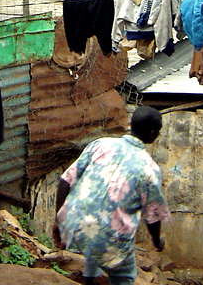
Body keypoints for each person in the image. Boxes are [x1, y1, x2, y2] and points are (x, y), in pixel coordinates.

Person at [52, 106, 169, 285]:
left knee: (96, 238)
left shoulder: (101, 145)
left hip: (72, 227)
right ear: (153, 134)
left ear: (131, 125)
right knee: (125, 272)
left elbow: (65, 181)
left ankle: (89, 280)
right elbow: (152, 216)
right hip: (108, 239)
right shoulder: (149, 169)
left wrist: (58, 220)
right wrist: (156, 241)